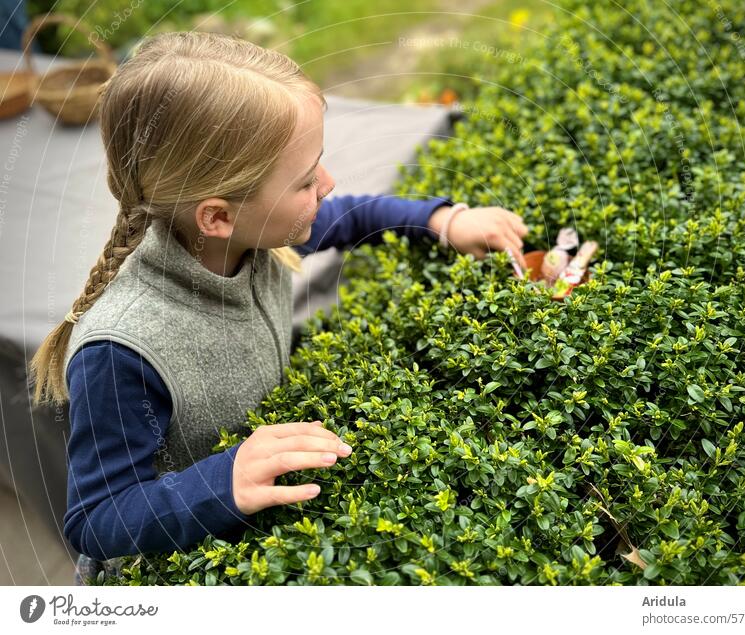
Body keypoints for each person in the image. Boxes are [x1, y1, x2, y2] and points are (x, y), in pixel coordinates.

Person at [27, 31, 529, 585]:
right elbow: (96, 520)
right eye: (306, 180)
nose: (328, 183)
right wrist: (225, 479)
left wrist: (442, 220)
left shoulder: (251, 236)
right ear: (215, 216)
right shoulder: (122, 350)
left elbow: (349, 215)